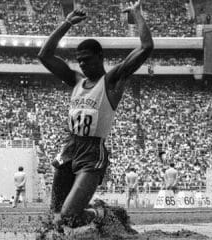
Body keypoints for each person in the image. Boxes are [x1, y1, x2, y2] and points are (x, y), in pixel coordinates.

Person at [38, 0, 153, 228]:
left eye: (87, 60)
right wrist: (66, 24)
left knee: (69, 217)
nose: (82, 65)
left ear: (100, 57)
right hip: (69, 148)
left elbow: (146, 47)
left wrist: (137, 14)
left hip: (92, 153)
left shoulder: (111, 81)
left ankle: (103, 214)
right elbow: (44, 55)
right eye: (79, 60)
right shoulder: (76, 81)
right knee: (55, 219)